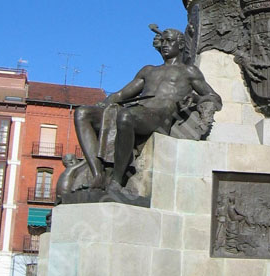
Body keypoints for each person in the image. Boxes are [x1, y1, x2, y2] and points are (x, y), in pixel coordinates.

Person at [74, 26, 222, 191]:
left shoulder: (189, 71)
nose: (165, 44)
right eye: (163, 41)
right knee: (82, 113)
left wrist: (194, 97)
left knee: (125, 116)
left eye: (170, 41)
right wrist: (105, 102)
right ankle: (97, 175)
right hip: (138, 110)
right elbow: (121, 94)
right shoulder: (148, 70)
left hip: (160, 115)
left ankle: (117, 180)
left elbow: (215, 98)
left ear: (180, 45)